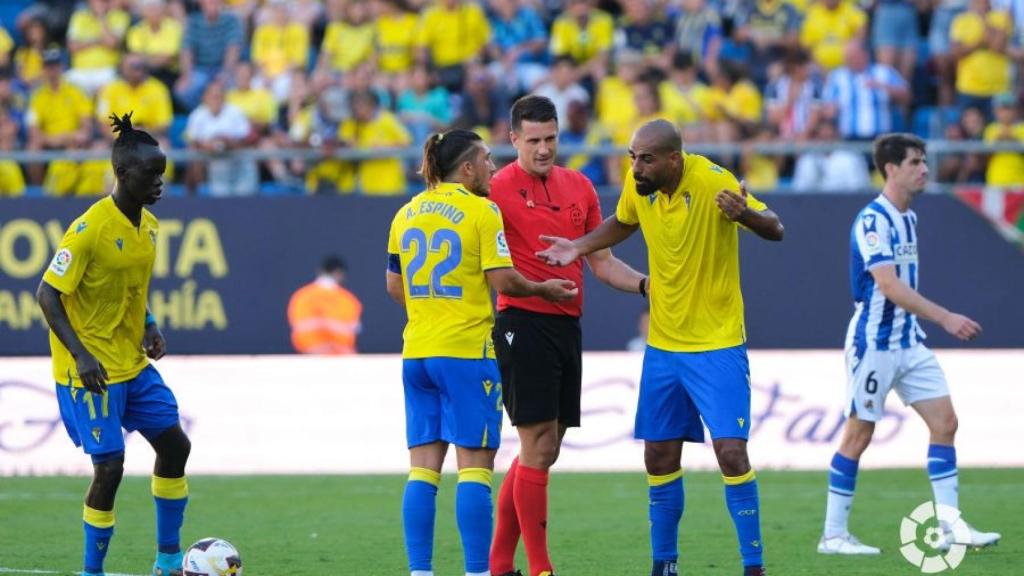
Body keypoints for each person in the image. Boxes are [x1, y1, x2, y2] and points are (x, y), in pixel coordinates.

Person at [537, 119, 785, 576]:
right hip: (664, 348)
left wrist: (744, 214)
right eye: (632, 156)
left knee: (731, 452)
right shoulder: (642, 187)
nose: (636, 167)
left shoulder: (712, 180)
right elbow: (622, 222)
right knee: (659, 454)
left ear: (675, 158)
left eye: (646, 158)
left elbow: (775, 228)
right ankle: (664, 566)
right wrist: (579, 247)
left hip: (717, 344)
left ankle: (754, 566)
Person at [385, 129, 577, 576]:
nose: (494, 167)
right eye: (488, 160)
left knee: (423, 471)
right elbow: (505, 281)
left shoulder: (405, 213)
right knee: (474, 470)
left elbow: (395, 286)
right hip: (466, 352)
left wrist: (432, 310)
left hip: (417, 352)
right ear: (467, 168)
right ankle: (476, 571)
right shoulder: (480, 210)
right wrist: (544, 289)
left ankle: (420, 571)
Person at [817, 133, 1001, 555]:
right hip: (875, 343)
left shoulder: (909, 219)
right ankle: (833, 535)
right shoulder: (872, 221)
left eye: (924, 162)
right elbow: (887, 285)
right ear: (891, 169)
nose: (924, 169)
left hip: (909, 341)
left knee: (945, 424)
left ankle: (951, 526)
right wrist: (945, 317)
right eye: (916, 162)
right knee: (858, 435)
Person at [488, 95, 649, 576]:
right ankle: (539, 568)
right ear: (513, 138)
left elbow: (600, 261)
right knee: (537, 441)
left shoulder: (579, 186)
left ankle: (499, 565)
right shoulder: (495, 190)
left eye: (551, 138)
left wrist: (645, 286)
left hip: (565, 324)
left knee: (547, 446)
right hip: (520, 320)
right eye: (533, 140)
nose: (543, 149)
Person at [36, 112, 191, 576]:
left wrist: (148, 323)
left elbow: (133, 288)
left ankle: (167, 560)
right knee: (110, 468)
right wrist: (80, 353)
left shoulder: (149, 227)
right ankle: (92, 571)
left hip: (131, 364)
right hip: (91, 371)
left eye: (163, 174)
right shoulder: (88, 230)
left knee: (176, 447)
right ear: (123, 175)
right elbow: (47, 293)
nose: (160, 184)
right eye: (151, 175)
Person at [287, 255, 363, 354]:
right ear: (339, 274)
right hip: (339, 356)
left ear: (320, 271)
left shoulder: (302, 297)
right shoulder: (348, 300)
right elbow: (352, 329)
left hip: (314, 353)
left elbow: (299, 327)